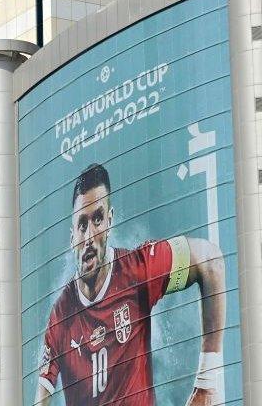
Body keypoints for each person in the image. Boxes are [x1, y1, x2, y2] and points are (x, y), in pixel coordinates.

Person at [35, 163, 226, 406]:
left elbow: (210, 262)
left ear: (110, 221)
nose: (89, 237)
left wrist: (207, 384)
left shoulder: (137, 269)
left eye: (98, 219)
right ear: (72, 236)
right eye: (82, 225)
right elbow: (42, 397)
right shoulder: (60, 316)